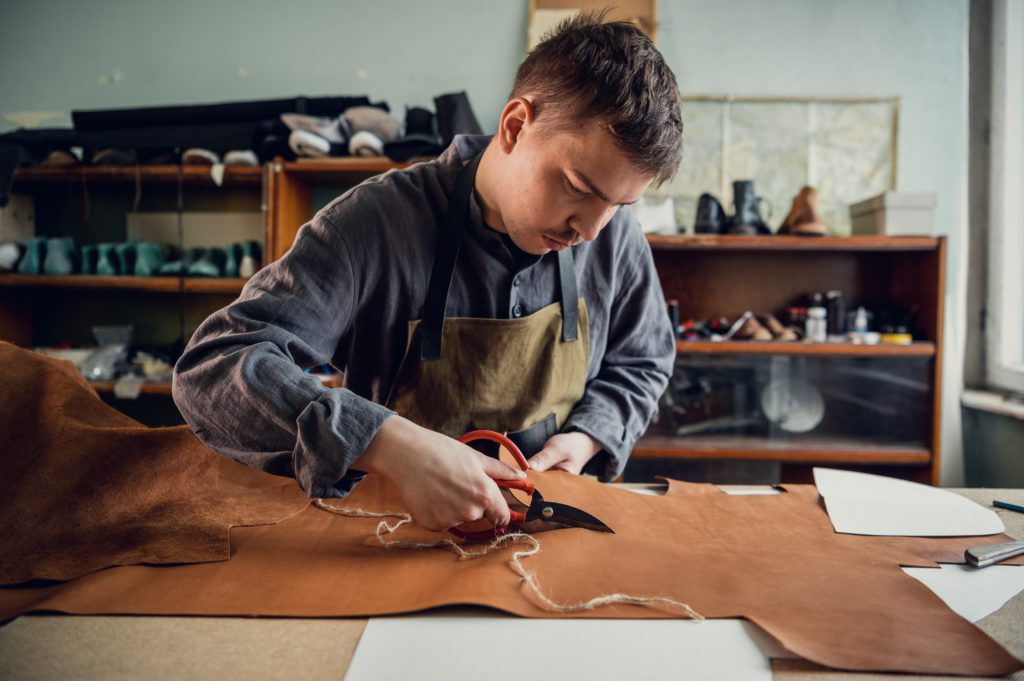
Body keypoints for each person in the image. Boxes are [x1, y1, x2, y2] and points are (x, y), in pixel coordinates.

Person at [172, 12, 682, 535]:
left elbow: (642, 361)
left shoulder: (614, 236)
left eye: (619, 204)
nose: (592, 229)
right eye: (579, 186)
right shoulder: (369, 226)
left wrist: (589, 436)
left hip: (550, 535)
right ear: (514, 126)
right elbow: (214, 367)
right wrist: (385, 441)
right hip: (394, 536)